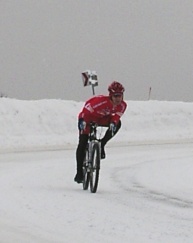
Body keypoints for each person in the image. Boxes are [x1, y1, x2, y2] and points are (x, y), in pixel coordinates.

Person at [74, 81, 127, 183]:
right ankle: (79, 172)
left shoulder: (122, 105)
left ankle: (102, 144)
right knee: (82, 143)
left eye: (120, 96)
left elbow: (116, 117)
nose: (118, 99)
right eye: (115, 96)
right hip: (88, 117)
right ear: (110, 96)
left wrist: (113, 123)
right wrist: (83, 122)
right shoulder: (101, 101)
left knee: (118, 124)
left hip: (103, 118)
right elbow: (85, 111)